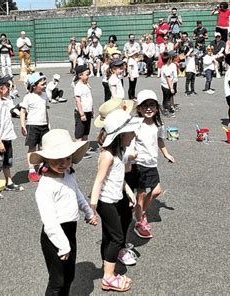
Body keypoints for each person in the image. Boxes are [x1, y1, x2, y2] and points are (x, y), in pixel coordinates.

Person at [31, 129, 97, 295]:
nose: (63, 163)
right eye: (57, 159)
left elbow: (78, 194)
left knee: (69, 276)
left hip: (70, 231)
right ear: (46, 159)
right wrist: (63, 245)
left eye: (67, 158)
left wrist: (88, 212)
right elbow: (49, 220)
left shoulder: (68, 174)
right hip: (54, 237)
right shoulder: (46, 186)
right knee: (57, 280)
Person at [90, 109, 141, 292]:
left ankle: (107, 267)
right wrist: (92, 208)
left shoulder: (119, 152)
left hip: (115, 198)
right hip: (105, 202)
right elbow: (98, 181)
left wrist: (128, 191)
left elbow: (118, 177)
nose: (134, 134)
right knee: (117, 237)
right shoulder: (108, 155)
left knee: (109, 236)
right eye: (131, 131)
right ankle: (108, 278)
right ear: (120, 135)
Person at [125, 89, 174, 239]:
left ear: (156, 107)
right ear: (138, 108)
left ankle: (141, 212)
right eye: (144, 105)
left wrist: (166, 153)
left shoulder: (158, 123)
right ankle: (139, 221)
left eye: (152, 105)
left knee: (157, 190)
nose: (148, 108)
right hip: (138, 163)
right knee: (141, 194)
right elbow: (128, 140)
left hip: (152, 163)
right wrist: (130, 156)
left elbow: (159, 139)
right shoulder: (135, 123)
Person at [0, 74, 24, 199]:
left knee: (7, 162)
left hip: (7, 136)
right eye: (7, 86)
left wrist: (22, 114)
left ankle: (9, 182)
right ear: (0, 89)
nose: (9, 87)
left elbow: (13, 110)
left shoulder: (5, 101)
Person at [20, 72, 50, 183]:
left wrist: (48, 123)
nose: (45, 86)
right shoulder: (28, 97)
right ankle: (32, 170)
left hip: (44, 125)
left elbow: (45, 111)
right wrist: (23, 125)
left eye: (45, 83)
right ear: (34, 86)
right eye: (42, 84)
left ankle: (43, 166)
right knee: (32, 148)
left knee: (43, 147)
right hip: (32, 125)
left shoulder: (44, 95)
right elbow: (22, 112)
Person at [73, 65, 94, 145]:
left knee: (86, 132)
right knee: (79, 133)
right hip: (81, 112)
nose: (88, 76)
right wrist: (82, 114)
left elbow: (89, 98)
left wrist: (91, 110)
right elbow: (78, 101)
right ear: (80, 75)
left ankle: (84, 149)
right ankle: (78, 149)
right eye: (87, 74)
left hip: (88, 111)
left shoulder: (86, 85)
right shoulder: (78, 87)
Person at [160, 53, 176, 117]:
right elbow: (168, 78)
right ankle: (168, 111)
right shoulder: (166, 68)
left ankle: (165, 109)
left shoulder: (163, 67)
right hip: (167, 86)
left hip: (163, 85)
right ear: (168, 60)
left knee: (165, 98)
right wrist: (171, 88)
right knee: (167, 100)